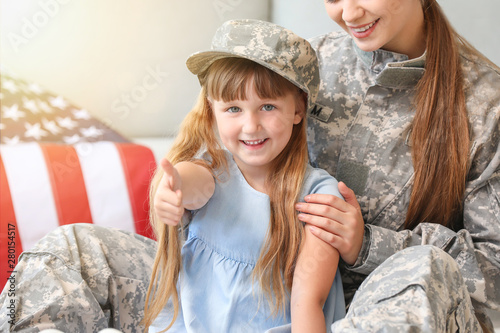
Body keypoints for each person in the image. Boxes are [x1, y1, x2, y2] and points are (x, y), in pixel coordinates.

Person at [291, 0, 500, 331]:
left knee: (425, 266)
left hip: (419, 316)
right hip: (291, 310)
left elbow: (494, 272)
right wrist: (187, 187)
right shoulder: (305, 65)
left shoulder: (488, 105)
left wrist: (368, 244)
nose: (348, 15)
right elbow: (223, 152)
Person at [144, 19, 345, 332]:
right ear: (212, 110)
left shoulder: (318, 196)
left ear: (297, 109)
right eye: (233, 109)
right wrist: (174, 190)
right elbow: (193, 182)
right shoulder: (212, 170)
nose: (251, 126)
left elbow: (308, 302)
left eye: (267, 106)